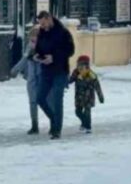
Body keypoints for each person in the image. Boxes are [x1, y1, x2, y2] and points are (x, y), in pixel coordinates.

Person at [33, 11, 76, 139]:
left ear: (49, 18)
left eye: (44, 23)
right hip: (45, 70)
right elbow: (39, 48)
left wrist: (54, 57)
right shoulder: (42, 32)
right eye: (40, 24)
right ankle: (54, 119)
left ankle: (57, 129)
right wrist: (37, 55)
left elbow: (70, 50)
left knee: (57, 100)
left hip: (60, 70)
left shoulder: (63, 32)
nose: (43, 26)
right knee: (40, 98)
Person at [11, 26, 42, 134]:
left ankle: (54, 122)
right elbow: (24, 59)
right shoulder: (29, 47)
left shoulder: (45, 48)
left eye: (34, 39)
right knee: (32, 102)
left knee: (45, 102)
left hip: (42, 79)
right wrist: (16, 69)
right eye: (31, 39)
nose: (32, 42)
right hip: (31, 79)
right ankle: (34, 125)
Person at [69, 55, 105, 133]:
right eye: (79, 64)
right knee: (78, 112)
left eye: (82, 64)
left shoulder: (91, 74)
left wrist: (100, 96)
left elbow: (97, 86)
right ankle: (84, 123)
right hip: (79, 97)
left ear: (87, 65)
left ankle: (88, 127)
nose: (80, 66)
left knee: (87, 112)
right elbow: (70, 80)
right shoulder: (76, 72)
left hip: (89, 97)